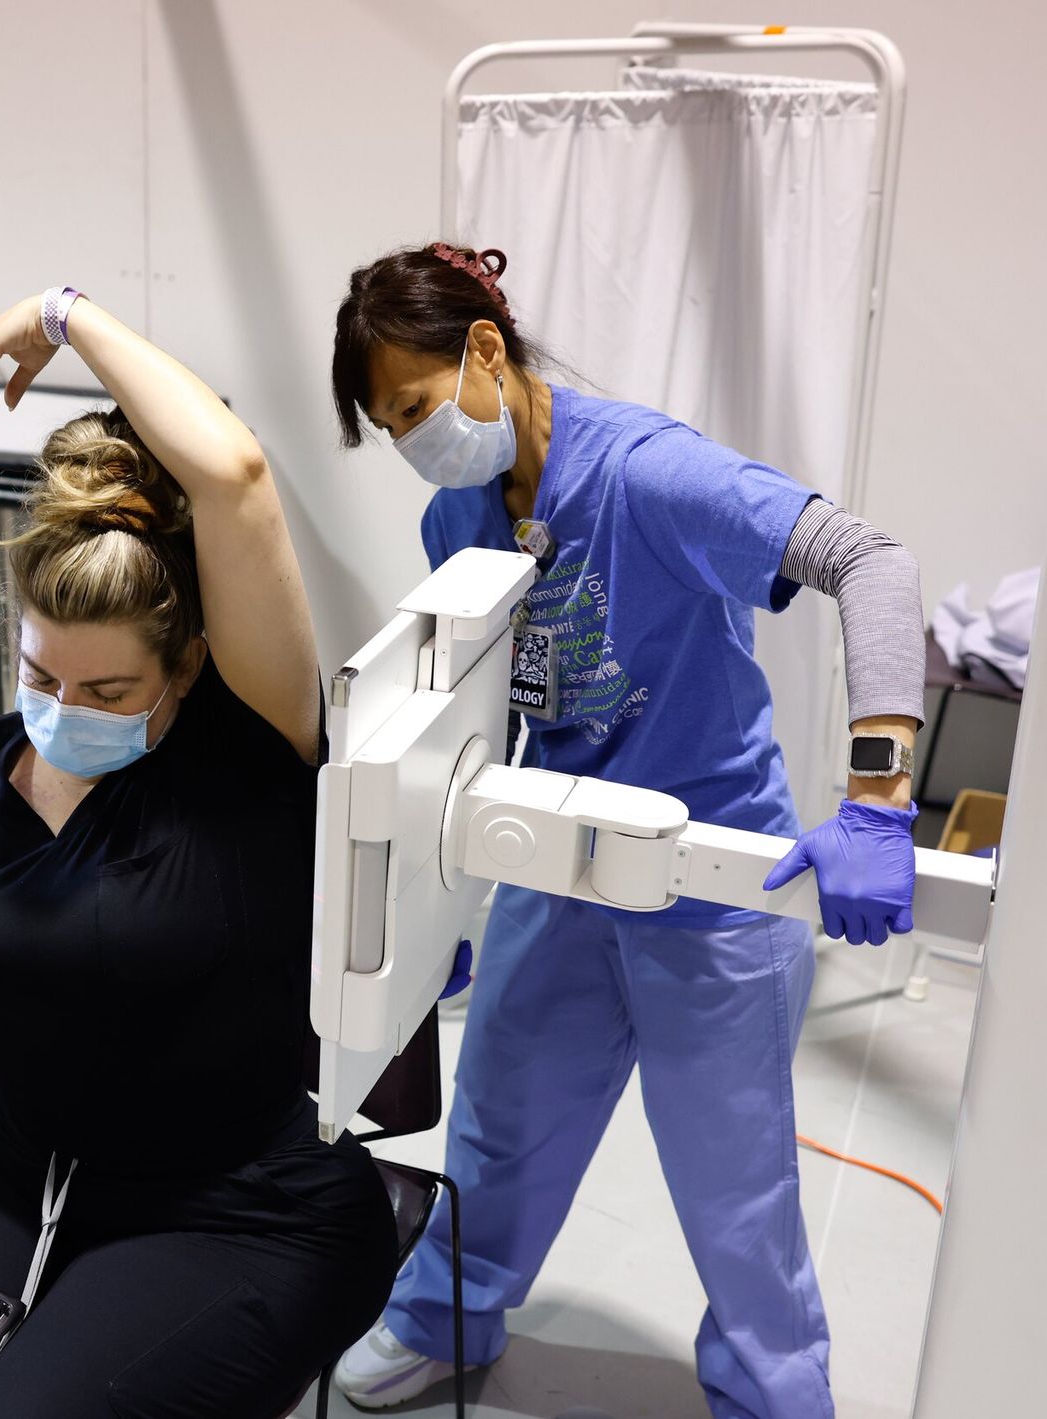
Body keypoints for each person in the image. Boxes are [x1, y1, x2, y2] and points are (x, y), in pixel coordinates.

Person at [326, 244, 926, 1419]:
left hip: (709, 885)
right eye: (388, 428)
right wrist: (433, 896)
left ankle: (770, 1390)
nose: (411, 446)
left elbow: (872, 563)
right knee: (498, 1127)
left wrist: (874, 801)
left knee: (730, 1185)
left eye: (413, 407)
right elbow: (480, 706)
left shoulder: (647, 475)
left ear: (483, 352)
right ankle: (445, 1316)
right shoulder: (457, 516)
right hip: (556, 869)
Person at [0, 289, 398, 1417]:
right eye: (42, 677)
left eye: (108, 689)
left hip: (237, 1202)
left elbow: (230, 475)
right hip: (13, 1156)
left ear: (184, 668)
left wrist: (60, 314)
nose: (64, 707)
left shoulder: (244, 759)